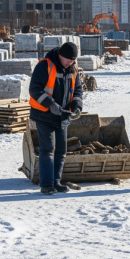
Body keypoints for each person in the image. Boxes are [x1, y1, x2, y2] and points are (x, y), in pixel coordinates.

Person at [29, 41, 84, 195]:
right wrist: (50, 104)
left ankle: (56, 182)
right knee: (48, 150)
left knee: (61, 150)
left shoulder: (73, 68)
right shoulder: (44, 65)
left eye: (73, 60)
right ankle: (46, 185)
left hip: (63, 116)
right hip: (44, 115)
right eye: (68, 60)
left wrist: (77, 105)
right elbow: (34, 90)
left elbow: (78, 90)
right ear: (60, 55)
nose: (71, 63)